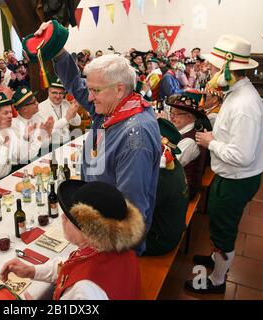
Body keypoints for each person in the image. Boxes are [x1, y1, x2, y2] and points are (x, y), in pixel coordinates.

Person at [35, 21, 160, 255]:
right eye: (89, 88)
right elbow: (74, 83)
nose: (88, 97)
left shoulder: (136, 137)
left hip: (112, 243)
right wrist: (56, 47)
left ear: (119, 89)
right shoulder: (113, 107)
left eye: (94, 91)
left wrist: (90, 237)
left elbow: (130, 213)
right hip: (94, 215)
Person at [186, 34, 263, 294]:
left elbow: (242, 155)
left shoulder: (244, 104)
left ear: (228, 69)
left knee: (224, 230)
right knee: (219, 222)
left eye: (213, 68)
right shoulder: (235, 92)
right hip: (232, 175)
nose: (208, 71)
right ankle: (216, 258)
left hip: (237, 178)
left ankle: (217, 280)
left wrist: (211, 142)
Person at [0, 180, 145, 300]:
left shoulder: (85, 290)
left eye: (69, 217)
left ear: (89, 232)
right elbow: (70, 264)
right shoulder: (114, 248)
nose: (62, 218)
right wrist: (31, 271)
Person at [144, 118, 189, 256]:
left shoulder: (161, 177)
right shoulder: (172, 165)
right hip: (171, 230)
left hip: (159, 241)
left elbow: (138, 211)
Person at [0, 92, 40, 180]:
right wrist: (5, 146)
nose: (10, 115)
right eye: (6, 113)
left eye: (10, 112)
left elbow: (22, 156)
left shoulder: (8, 127)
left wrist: (26, 138)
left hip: (11, 173)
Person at [166, 92, 210, 199]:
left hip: (183, 191)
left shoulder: (190, 142)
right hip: (176, 184)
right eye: (171, 113)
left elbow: (168, 166)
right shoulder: (183, 132)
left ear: (190, 116)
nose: (171, 117)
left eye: (176, 114)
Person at [38, 79, 81, 147]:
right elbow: (47, 130)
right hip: (50, 146)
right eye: (54, 92)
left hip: (67, 142)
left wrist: (74, 112)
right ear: (48, 92)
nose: (58, 96)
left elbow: (77, 123)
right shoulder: (40, 108)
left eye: (61, 93)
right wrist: (66, 118)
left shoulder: (66, 103)